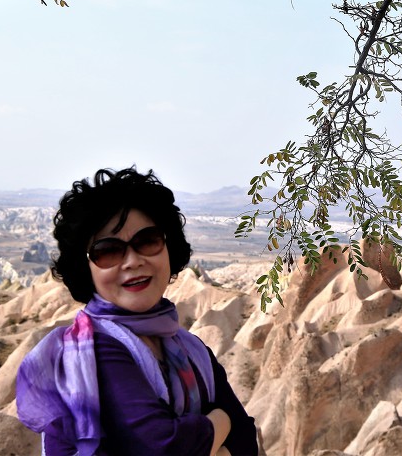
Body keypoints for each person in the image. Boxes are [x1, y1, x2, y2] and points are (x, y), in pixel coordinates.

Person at [16, 167, 257, 456]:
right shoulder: (95, 351)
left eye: (148, 241)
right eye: (108, 250)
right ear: (85, 268)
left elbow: (247, 440)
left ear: (168, 247)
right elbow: (166, 447)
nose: (132, 261)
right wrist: (223, 419)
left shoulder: (192, 350)